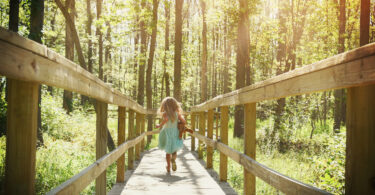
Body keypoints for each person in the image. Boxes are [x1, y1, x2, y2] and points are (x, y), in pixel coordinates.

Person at [156, 97, 185, 173]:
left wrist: (159, 125)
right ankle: (174, 159)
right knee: (174, 150)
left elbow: (165, 120)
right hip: (175, 133)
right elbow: (184, 121)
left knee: (168, 151)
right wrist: (181, 123)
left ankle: (168, 166)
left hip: (167, 133)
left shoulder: (165, 114)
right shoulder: (177, 114)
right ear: (175, 105)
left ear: (165, 106)